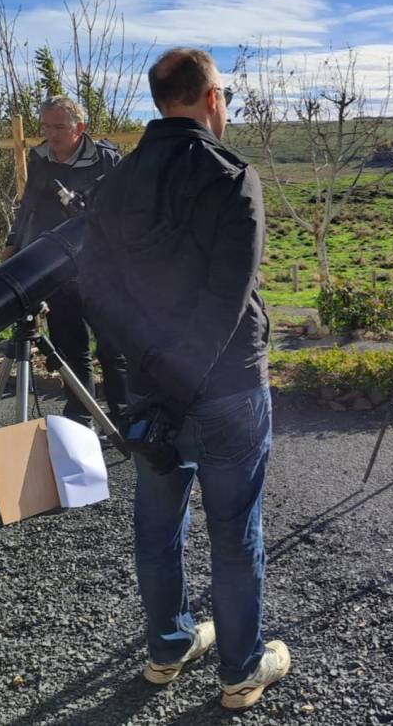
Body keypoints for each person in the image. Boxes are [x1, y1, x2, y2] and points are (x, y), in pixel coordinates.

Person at [78, 48, 289, 709]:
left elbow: (95, 288)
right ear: (209, 98)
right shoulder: (231, 174)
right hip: (227, 385)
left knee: (158, 522)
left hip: (147, 387)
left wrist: (148, 373)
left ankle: (168, 646)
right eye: (222, 94)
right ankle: (240, 670)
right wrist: (183, 378)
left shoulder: (117, 179)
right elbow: (227, 297)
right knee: (234, 530)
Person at [2, 95, 128, 425]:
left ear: (79, 127)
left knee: (113, 348)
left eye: (59, 126)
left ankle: (126, 417)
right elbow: (27, 207)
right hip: (56, 267)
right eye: (46, 126)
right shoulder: (40, 157)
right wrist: (12, 244)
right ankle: (80, 420)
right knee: (70, 349)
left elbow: (125, 211)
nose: (51, 134)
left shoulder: (107, 159)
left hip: (102, 269)